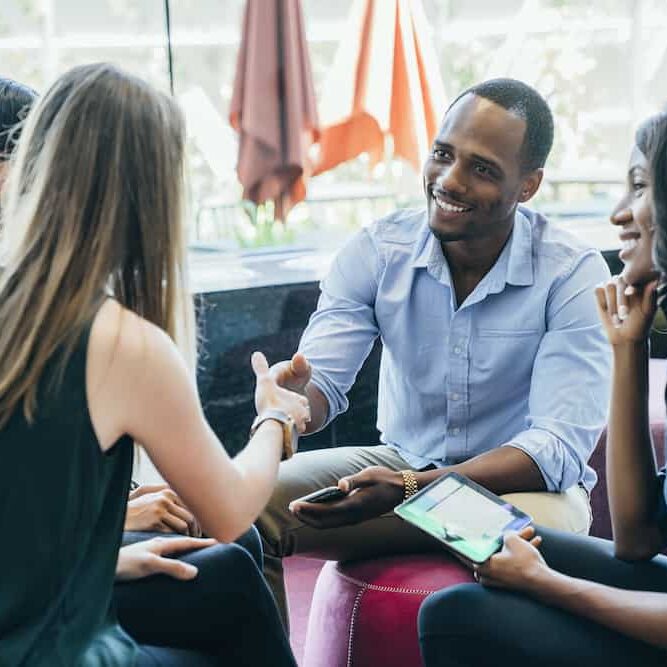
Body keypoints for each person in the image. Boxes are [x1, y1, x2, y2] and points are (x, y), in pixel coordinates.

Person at [257, 78, 613, 625]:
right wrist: (293, 402)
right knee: (240, 502)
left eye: (483, 168)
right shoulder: (378, 249)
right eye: (443, 154)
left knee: (513, 538)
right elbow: (321, 381)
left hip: (527, 496)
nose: (450, 181)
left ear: (528, 186)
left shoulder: (570, 272)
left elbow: (556, 449)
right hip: (399, 465)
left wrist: (411, 490)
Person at [0, 63, 308, 666]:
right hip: (53, 650)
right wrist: (274, 420)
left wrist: (98, 562)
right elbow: (228, 510)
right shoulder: (122, 343)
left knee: (220, 580)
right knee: (233, 594)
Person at [417, 111, 667, 667]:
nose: (619, 214)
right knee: (499, 535)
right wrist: (630, 349)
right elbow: (636, 539)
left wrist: (543, 585)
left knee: (458, 617)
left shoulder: (563, 266)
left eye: (641, 187)